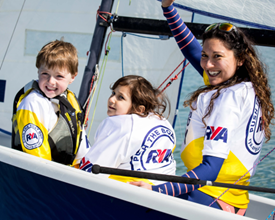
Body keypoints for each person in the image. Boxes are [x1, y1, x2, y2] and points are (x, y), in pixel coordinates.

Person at [130, 0, 275, 216]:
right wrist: (169, 9)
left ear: (241, 59)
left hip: (206, 199)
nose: (207, 64)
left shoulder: (228, 99)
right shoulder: (244, 86)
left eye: (217, 57)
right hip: (229, 200)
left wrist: (156, 190)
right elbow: (192, 50)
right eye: (206, 56)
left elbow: (211, 169)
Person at [79, 75, 176, 184]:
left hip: (128, 192)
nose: (111, 99)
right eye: (113, 93)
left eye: (121, 97)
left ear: (139, 109)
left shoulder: (118, 125)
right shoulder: (163, 122)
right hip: (165, 190)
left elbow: (90, 171)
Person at [12, 40, 90, 167]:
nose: (51, 81)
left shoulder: (69, 101)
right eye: (45, 74)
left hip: (68, 173)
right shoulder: (32, 103)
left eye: (59, 76)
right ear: (38, 71)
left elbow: (82, 148)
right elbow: (36, 157)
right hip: (43, 177)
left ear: (73, 77)